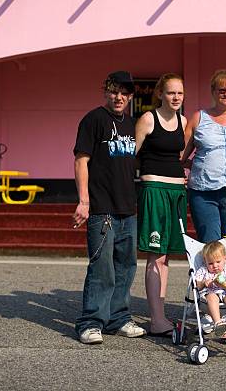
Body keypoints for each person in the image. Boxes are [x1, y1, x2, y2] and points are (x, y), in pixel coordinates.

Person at [73, 71, 146, 344]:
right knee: (101, 267)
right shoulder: (93, 120)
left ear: (130, 97)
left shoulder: (131, 123)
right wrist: (84, 201)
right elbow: (81, 161)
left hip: (128, 207)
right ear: (106, 91)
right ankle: (90, 323)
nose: (119, 97)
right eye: (114, 91)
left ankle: (118, 318)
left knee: (126, 266)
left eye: (125, 93)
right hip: (101, 207)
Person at [135, 73, 188, 337]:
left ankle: (160, 317)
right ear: (160, 94)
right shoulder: (147, 119)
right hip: (153, 189)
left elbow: (180, 156)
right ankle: (156, 319)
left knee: (167, 256)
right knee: (155, 255)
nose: (176, 97)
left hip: (177, 191)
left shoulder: (184, 120)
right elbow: (131, 156)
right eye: (170, 93)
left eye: (179, 93)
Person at [181, 69, 226, 243]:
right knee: (210, 245)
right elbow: (180, 155)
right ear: (213, 91)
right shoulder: (198, 118)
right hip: (204, 194)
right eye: (222, 89)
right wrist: (190, 167)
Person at [194, 240, 226, 340]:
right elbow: (197, 286)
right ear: (205, 261)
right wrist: (204, 283)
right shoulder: (203, 271)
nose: (215, 266)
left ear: (225, 259)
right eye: (210, 263)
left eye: (218, 262)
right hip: (210, 294)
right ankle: (218, 323)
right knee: (212, 297)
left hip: (225, 294)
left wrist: (224, 284)